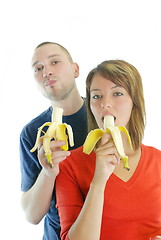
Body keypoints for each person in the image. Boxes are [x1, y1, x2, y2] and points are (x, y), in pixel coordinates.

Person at [56, 60, 161, 240]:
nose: (105, 104)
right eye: (97, 96)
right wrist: (99, 180)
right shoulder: (69, 165)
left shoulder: (157, 161)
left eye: (117, 93)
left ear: (134, 102)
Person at [20, 42, 88, 240]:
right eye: (38, 68)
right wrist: (48, 172)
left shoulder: (103, 117)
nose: (46, 71)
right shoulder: (32, 133)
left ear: (75, 69)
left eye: (55, 62)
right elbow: (31, 215)